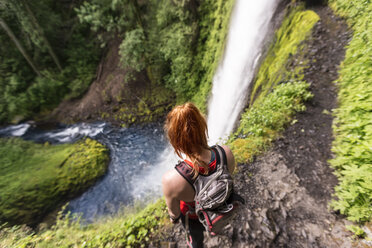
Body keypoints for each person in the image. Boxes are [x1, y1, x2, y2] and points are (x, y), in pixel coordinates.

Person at [162, 102, 236, 248]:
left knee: (195, 240)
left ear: (175, 141)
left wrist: (174, 219)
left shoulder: (171, 180)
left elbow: (175, 214)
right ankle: (215, 226)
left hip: (193, 217)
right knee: (216, 221)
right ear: (203, 127)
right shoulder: (225, 153)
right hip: (222, 205)